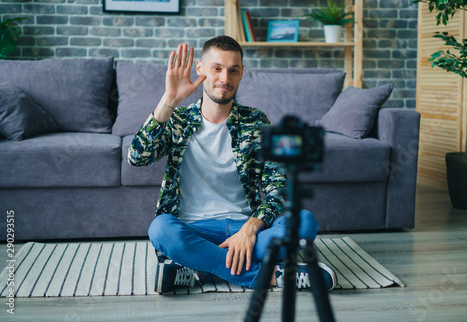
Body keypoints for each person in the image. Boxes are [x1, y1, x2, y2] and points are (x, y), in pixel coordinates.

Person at [128, 35, 336, 292]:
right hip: (194, 229)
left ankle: (200, 266)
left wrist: (250, 228)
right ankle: (272, 277)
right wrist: (169, 100)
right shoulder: (178, 119)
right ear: (200, 69)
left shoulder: (256, 121)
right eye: (217, 68)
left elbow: (278, 186)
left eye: (233, 71)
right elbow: (137, 158)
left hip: (246, 232)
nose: (225, 79)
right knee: (160, 229)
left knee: (304, 222)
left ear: (241, 74)